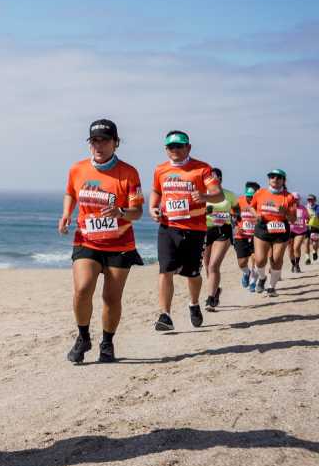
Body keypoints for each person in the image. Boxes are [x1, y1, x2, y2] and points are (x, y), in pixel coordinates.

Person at [59, 119, 144, 364]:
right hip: (87, 240)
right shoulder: (77, 169)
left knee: (111, 298)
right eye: (94, 140)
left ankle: (107, 343)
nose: (99, 145)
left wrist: (121, 213)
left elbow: (137, 212)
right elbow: (70, 192)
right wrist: (66, 213)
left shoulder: (128, 172)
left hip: (120, 244)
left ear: (116, 143)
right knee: (83, 289)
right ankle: (83, 337)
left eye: (105, 140)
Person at [149, 131, 224, 331]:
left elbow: (218, 195)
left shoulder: (202, 168)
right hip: (168, 227)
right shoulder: (160, 170)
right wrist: (152, 208)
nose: (175, 150)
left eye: (179, 146)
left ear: (188, 147)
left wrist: (205, 196)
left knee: (192, 274)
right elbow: (156, 191)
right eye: (171, 147)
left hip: (194, 229)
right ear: (166, 150)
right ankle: (165, 315)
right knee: (165, 270)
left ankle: (194, 303)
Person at [249, 169, 297, 296]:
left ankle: (271, 287)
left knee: (276, 259)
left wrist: (286, 213)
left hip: (281, 229)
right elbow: (251, 207)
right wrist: (256, 215)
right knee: (259, 260)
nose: (275, 179)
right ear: (269, 179)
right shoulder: (260, 193)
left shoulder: (289, 197)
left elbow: (294, 219)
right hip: (263, 227)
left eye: (278, 177)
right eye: (272, 176)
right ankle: (262, 278)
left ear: (283, 180)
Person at [202, 168, 238, 310]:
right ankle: (216, 290)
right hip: (205, 231)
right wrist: (205, 212)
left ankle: (211, 299)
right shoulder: (203, 195)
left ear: (221, 179)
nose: (214, 181)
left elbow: (236, 211)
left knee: (213, 265)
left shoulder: (229, 195)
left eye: (216, 178)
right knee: (206, 267)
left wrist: (231, 215)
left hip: (223, 231)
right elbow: (195, 212)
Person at [234, 182, 261, 292]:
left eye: (252, 197)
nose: (250, 199)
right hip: (241, 236)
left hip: (256, 236)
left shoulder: (260, 203)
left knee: (256, 259)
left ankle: (253, 281)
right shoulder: (239, 201)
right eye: (248, 196)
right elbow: (233, 216)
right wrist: (235, 226)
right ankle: (246, 273)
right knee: (242, 262)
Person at [288, 193, 309, 273]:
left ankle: (297, 265)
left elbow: (308, 218)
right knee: (290, 249)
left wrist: (307, 221)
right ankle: (293, 264)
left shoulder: (303, 208)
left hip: (300, 231)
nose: (295, 201)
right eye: (294, 199)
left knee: (296, 247)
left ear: (299, 200)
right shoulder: (288, 208)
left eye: (297, 199)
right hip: (290, 230)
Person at [307, 194, 319, 265]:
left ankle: (314, 251)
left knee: (314, 243)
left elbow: (316, 215)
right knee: (307, 242)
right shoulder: (305, 207)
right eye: (309, 199)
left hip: (315, 227)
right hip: (306, 227)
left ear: (315, 200)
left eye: (311, 199)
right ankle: (307, 258)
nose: (310, 201)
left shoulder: (317, 207)